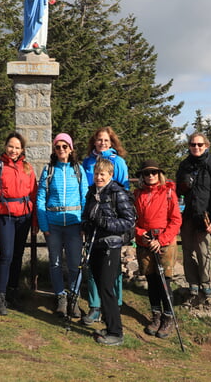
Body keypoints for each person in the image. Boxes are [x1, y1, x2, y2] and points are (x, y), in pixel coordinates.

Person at [82, 158, 136, 346]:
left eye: (102, 174)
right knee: (100, 284)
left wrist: (106, 223)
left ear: (110, 175)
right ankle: (109, 325)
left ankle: (116, 332)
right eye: (96, 173)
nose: (98, 177)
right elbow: (87, 216)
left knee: (107, 288)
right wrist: (86, 225)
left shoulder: (117, 192)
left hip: (110, 246)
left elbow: (129, 220)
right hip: (95, 244)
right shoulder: (92, 193)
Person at [0, 132, 37, 315]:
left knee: (17, 255)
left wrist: (35, 221)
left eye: (17, 147)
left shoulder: (28, 168)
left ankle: (13, 292)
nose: (13, 150)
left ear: (22, 149)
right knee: (6, 255)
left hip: (24, 216)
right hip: (4, 216)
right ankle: (0, 295)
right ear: (6, 146)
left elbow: (34, 196)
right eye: (11, 146)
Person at [81, 126, 129, 325]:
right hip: (92, 218)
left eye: (106, 140)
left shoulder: (118, 162)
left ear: (112, 143)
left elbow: (123, 191)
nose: (102, 143)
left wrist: (108, 219)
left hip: (110, 226)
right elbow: (87, 187)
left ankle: (113, 306)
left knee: (111, 272)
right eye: (99, 140)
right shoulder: (87, 162)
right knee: (93, 268)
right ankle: (95, 305)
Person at [36, 133, 87, 317]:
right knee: (55, 263)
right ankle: (60, 297)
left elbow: (85, 198)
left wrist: (84, 225)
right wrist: (44, 225)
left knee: (75, 264)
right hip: (53, 225)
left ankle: (74, 298)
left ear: (71, 149)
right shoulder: (48, 170)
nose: (61, 150)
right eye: (58, 147)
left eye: (65, 146)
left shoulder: (78, 170)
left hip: (74, 224)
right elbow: (41, 198)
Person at [176, 132, 211, 307]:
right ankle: (192, 284)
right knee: (187, 251)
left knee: (203, 252)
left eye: (199, 145)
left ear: (206, 146)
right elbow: (178, 192)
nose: (196, 147)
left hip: (205, 218)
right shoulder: (184, 165)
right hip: (186, 216)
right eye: (192, 144)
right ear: (189, 146)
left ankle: (205, 284)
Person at [134, 160, 182, 338]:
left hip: (164, 242)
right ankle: (156, 316)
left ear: (159, 174)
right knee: (151, 280)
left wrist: (161, 240)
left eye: (154, 172)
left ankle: (168, 317)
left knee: (164, 281)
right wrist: (140, 233)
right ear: (142, 176)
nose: (150, 175)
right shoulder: (137, 194)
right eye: (146, 173)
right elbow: (134, 220)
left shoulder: (168, 192)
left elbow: (176, 220)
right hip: (145, 243)